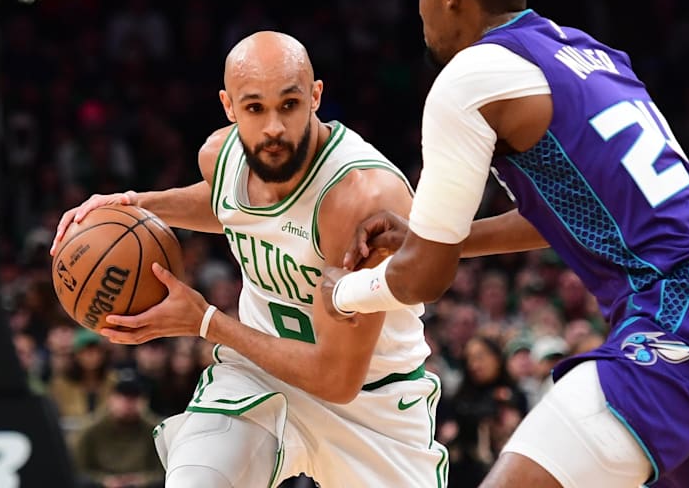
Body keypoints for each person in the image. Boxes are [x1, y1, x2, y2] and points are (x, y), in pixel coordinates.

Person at [321, 0, 689, 488]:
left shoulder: (469, 76)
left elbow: (423, 280)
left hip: (682, 317)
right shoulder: (591, 53)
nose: (420, 10)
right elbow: (572, 214)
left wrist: (343, 293)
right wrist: (444, 240)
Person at [52, 31, 447, 487]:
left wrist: (205, 322)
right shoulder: (221, 157)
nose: (274, 127)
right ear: (229, 106)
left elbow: (338, 378)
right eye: (255, 108)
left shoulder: (361, 197)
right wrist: (138, 205)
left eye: (289, 105)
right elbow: (229, 205)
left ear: (316, 96)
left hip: (372, 407)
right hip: (258, 376)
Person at [72, 369, 165, 488]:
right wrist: (104, 481)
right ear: (110, 399)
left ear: (144, 401)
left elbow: (163, 472)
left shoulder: (156, 432)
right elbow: (78, 471)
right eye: (122, 396)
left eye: (134, 397)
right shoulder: (90, 430)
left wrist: (141, 481)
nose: (127, 402)